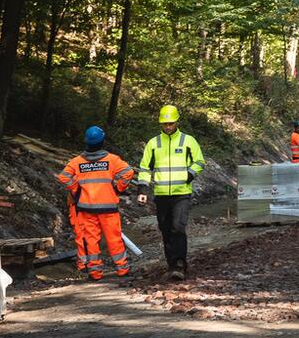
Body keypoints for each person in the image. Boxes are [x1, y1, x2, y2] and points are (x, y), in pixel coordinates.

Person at [55, 126, 134, 280]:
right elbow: (128, 172)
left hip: (86, 208)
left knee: (91, 240)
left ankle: (95, 272)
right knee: (114, 238)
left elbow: (63, 177)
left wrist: (76, 189)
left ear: (87, 142)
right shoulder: (112, 159)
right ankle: (122, 269)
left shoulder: (77, 162)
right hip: (108, 207)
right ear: (102, 141)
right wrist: (118, 188)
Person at [136, 105, 205, 280]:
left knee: (178, 227)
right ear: (161, 123)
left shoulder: (188, 141)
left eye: (171, 123)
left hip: (182, 193)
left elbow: (199, 162)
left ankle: (180, 264)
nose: (168, 126)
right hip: (161, 195)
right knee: (165, 230)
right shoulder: (153, 143)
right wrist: (143, 189)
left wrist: (189, 175)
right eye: (165, 123)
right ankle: (171, 264)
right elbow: (145, 168)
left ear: (177, 122)